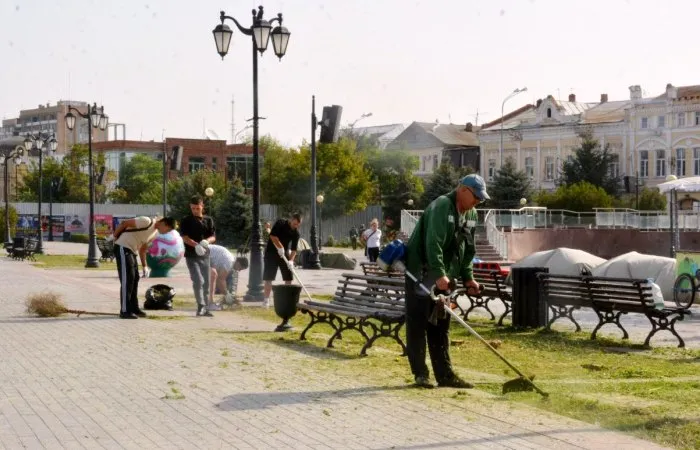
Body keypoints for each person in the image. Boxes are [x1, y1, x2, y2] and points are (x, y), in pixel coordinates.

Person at [404, 174, 488, 389]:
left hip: (445, 276)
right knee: (418, 324)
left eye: (481, 198)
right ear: (462, 190)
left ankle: (445, 375)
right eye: (475, 196)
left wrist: (469, 278)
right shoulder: (442, 205)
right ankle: (421, 375)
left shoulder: (471, 214)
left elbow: (468, 250)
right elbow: (434, 242)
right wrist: (439, 273)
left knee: (441, 325)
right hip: (421, 272)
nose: (478, 201)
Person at [112, 216, 175, 319]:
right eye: (167, 230)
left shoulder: (154, 233)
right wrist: (114, 237)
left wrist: (145, 266)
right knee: (127, 280)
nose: (165, 232)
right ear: (164, 223)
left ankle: (134, 308)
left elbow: (142, 250)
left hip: (131, 251)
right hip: (122, 247)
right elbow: (125, 223)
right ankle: (124, 311)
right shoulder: (146, 221)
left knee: (134, 278)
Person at [179, 195, 216, 317]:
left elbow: (213, 236)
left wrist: (206, 241)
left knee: (206, 282)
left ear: (202, 206)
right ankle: (200, 306)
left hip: (205, 256)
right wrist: (195, 245)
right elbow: (184, 237)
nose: (195, 210)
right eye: (193, 208)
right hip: (191, 255)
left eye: (197, 208)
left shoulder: (208, 220)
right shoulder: (186, 220)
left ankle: (205, 307)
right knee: (198, 280)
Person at [263, 213, 302, 308]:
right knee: (269, 278)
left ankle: (286, 300)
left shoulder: (296, 233)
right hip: (271, 253)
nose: (296, 226)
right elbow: (272, 236)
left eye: (298, 224)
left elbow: (294, 249)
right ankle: (266, 300)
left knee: (289, 276)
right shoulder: (280, 223)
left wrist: (291, 260)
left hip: (283, 255)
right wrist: (280, 247)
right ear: (291, 219)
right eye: (295, 223)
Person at [208, 244, 248, 308]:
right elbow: (220, 280)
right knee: (213, 276)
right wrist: (226, 294)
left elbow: (220, 279)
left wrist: (225, 292)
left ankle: (209, 302)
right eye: (240, 268)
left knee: (213, 276)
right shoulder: (229, 262)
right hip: (203, 252)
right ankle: (210, 303)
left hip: (206, 252)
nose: (239, 270)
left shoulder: (231, 259)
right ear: (238, 263)